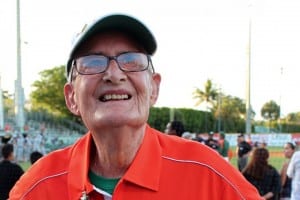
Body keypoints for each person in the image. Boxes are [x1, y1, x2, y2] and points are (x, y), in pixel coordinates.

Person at [9, 14, 261, 199]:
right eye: (93, 62)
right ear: (72, 97)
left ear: (154, 88)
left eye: (131, 60)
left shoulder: (209, 175)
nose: (114, 74)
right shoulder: (36, 187)